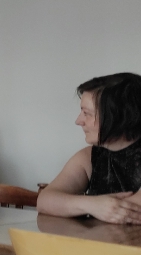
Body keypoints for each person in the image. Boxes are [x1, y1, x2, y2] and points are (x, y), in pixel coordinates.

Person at [38, 72, 141, 224]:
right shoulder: (88, 156)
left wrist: (74, 205)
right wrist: (93, 205)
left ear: (118, 116)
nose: (78, 121)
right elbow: (44, 201)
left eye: (87, 113)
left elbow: (132, 210)